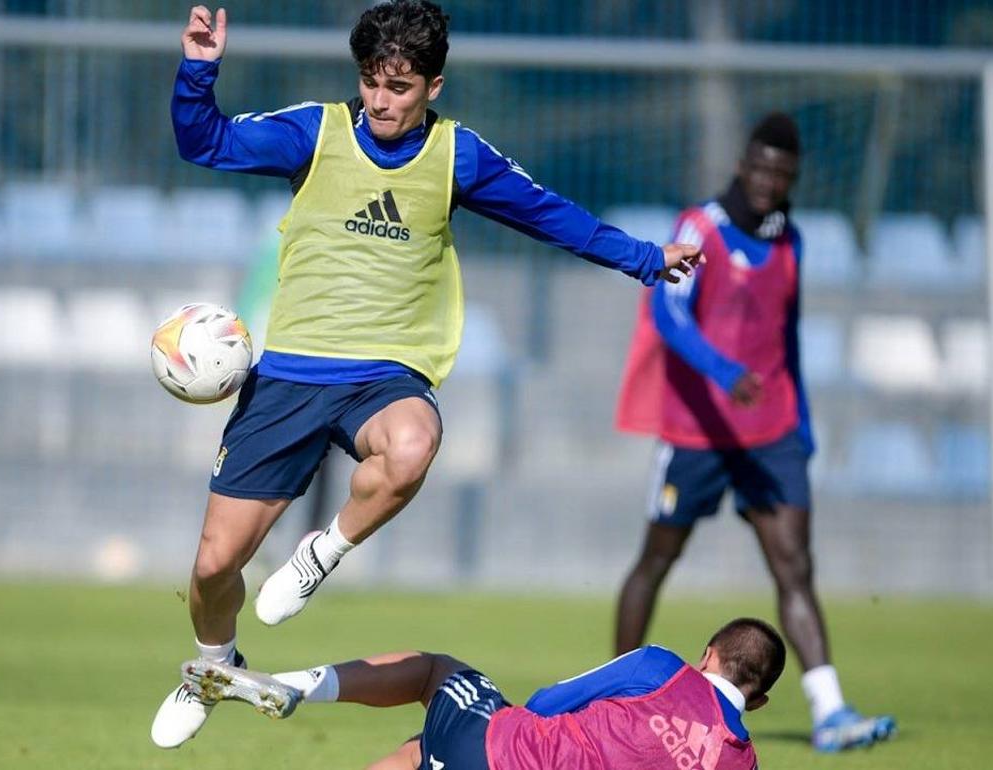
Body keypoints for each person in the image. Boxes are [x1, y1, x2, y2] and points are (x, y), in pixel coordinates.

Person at [153, 1, 704, 748]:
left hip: (386, 372)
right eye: (372, 84)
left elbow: (549, 215)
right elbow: (204, 143)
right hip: (290, 374)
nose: (382, 101)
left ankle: (324, 551)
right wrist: (198, 68)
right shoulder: (313, 133)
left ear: (433, 86)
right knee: (214, 569)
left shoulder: (458, 157)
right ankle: (212, 666)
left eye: (401, 87)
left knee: (413, 444)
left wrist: (644, 258)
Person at [612, 113, 895, 752]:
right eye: (760, 167)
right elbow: (668, 311)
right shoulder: (700, 227)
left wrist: (802, 420)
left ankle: (830, 712)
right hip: (697, 432)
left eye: (782, 173)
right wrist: (723, 370)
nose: (769, 181)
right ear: (743, 165)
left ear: (792, 178)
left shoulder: (790, 240)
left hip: (771, 432)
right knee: (657, 558)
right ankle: (617, 692)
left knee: (795, 564)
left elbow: (785, 336)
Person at [181, 616, 785, 769]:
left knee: (438, 675)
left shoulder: (663, 668)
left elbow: (549, 700)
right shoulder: (742, 759)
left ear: (708, 654)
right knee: (425, 751)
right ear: (755, 702)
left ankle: (296, 686)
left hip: (501, 750)